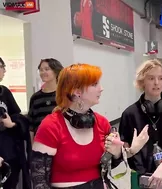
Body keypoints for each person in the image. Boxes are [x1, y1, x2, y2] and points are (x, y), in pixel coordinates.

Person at [30, 63, 128, 189]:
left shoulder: (101, 122)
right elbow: (39, 180)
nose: (101, 88)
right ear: (77, 92)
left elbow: (109, 166)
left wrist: (117, 154)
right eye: (94, 84)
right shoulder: (51, 125)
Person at [119, 59, 162, 189]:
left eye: (161, 78)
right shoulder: (129, 114)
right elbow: (124, 153)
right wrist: (133, 150)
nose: (156, 83)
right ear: (142, 81)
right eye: (151, 78)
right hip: (140, 177)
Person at [0, 57, 31, 189]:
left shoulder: (4, 91)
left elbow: (18, 117)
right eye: (2, 67)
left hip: (9, 153)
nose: (4, 70)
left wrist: (12, 124)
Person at [28, 58, 63, 138]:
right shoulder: (35, 97)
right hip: (40, 141)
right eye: (41, 70)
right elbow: (31, 125)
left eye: (47, 69)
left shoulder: (64, 95)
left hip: (60, 141)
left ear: (56, 71)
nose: (43, 72)